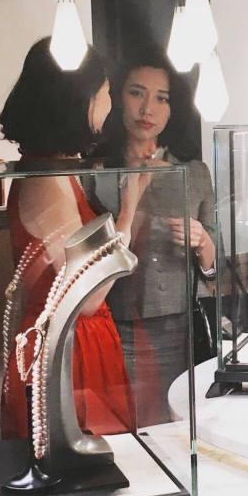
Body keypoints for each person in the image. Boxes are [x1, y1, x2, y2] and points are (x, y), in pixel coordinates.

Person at [0, 38, 144, 439]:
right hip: (69, 345)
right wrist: (128, 212)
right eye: (106, 91)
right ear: (81, 99)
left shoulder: (54, 169)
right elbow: (86, 296)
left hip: (75, 339)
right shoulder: (48, 179)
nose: (110, 103)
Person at [93, 43, 215, 425]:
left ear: (172, 108)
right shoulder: (96, 174)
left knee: (182, 424)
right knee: (130, 427)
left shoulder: (193, 173)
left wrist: (203, 241)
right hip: (118, 324)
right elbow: (90, 261)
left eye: (161, 98)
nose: (148, 109)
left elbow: (217, 264)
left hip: (183, 326)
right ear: (118, 97)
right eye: (137, 93)